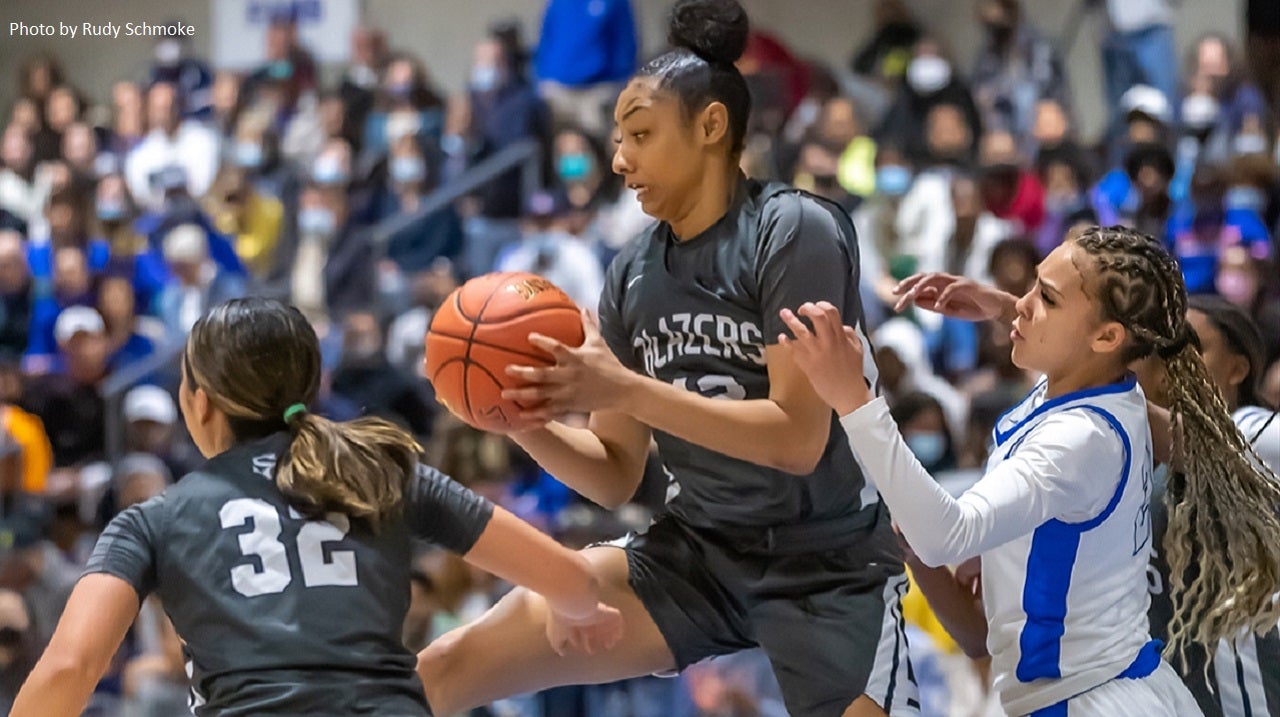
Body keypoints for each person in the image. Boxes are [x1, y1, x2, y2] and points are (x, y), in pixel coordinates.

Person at [418, 2, 914, 716]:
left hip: (828, 561)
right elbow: (615, 473)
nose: (619, 159)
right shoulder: (630, 274)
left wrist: (622, 385)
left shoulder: (794, 230)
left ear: (710, 127)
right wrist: (514, 414)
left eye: (641, 135)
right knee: (445, 665)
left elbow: (796, 439)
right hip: (699, 554)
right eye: (619, 139)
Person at [11, 297, 623, 717]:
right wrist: (576, 611)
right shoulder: (386, 473)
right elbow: (568, 575)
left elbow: (69, 668)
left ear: (199, 403)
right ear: (311, 388)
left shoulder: (154, 517)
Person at [778, 224, 1280, 715]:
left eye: (1047, 298)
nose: (1022, 301)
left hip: (1092, 699)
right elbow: (976, 632)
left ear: (1107, 336)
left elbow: (945, 534)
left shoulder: (1079, 439)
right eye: (1033, 285)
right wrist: (1006, 309)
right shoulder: (1099, 391)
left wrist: (853, 400)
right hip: (1101, 689)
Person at [1134, 294, 1279, 715]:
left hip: (1248, 689)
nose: (1172, 363)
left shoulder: (1258, 431)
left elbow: (1205, 449)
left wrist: (1098, 379)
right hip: (1174, 691)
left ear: (1238, 367)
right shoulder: (1138, 460)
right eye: (1163, 350)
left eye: (1191, 348)